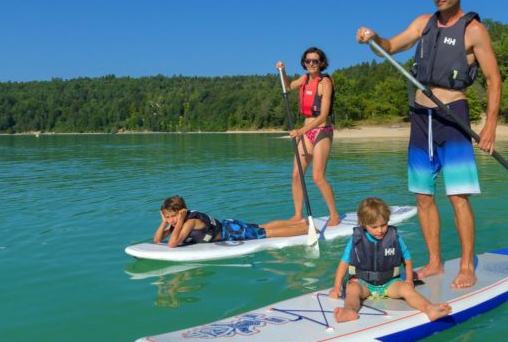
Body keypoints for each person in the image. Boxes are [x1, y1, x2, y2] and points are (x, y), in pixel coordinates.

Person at [356, 0, 502, 289]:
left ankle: (466, 265)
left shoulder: (474, 31)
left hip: (453, 117)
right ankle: (435, 262)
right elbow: (389, 47)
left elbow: (494, 80)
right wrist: (372, 38)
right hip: (421, 119)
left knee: (458, 196)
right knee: (423, 196)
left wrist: (490, 125)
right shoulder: (423, 23)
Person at [330, 197, 452, 323]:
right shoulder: (356, 241)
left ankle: (429, 308)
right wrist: (337, 286)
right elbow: (344, 263)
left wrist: (409, 280)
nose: (380, 230)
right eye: (374, 226)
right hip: (363, 283)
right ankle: (349, 310)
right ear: (363, 224)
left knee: (407, 289)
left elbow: (407, 259)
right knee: (352, 290)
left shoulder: (394, 238)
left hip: (390, 284)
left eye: (383, 225)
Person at [275, 47, 341, 226]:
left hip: (322, 132)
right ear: (304, 63)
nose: (311, 64)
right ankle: (298, 215)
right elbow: (287, 87)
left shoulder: (325, 82)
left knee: (317, 177)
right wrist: (282, 71)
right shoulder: (304, 79)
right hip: (306, 132)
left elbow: (323, 115)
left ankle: (334, 215)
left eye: (315, 61)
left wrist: (300, 132)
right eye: (308, 61)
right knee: (296, 175)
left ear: (321, 63)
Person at [153, 196, 309, 248]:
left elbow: (171, 244)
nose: (171, 220)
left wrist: (179, 221)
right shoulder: (176, 223)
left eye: (173, 216)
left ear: (182, 212)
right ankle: (300, 223)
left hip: (232, 232)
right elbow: (158, 240)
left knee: (266, 233)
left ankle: (304, 230)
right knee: (262, 226)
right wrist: (163, 222)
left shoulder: (188, 223)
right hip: (229, 225)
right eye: (168, 217)